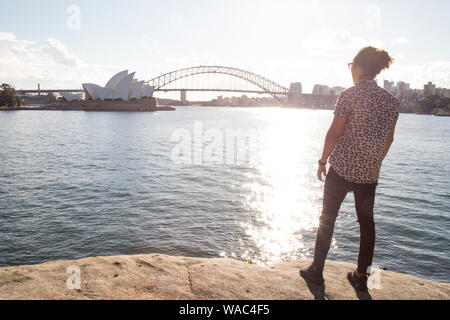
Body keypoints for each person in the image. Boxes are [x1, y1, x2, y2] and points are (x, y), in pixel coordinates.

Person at [300, 46, 400, 292]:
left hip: (342, 169)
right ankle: (360, 277)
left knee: (328, 217)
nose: (350, 71)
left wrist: (322, 161)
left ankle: (317, 272)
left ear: (358, 67)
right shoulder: (392, 101)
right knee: (367, 224)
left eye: (351, 66)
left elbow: (334, 133)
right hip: (369, 175)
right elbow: (389, 140)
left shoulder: (349, 94)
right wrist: (374, 162)